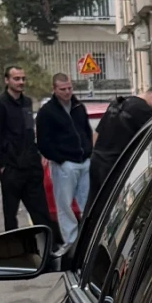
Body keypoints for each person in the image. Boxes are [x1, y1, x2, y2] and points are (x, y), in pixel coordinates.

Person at [88, 78, 152, 202]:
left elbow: (96, 136)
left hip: (97, 163)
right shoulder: (143, 111)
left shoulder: (118, 103)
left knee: (94, 206)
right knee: (112, 211)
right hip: (115, 169)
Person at [36, 71, 94, 249]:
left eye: (69, 88)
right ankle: (71, 242)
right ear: (54, 89)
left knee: (88, 203)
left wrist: (88, 151)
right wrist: (60, 159)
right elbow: (43, 142)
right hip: (64, 164)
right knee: (64, 205)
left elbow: (86, 131)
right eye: (63, 89)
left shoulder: (78, 107)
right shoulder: (47, 112)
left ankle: (88, 239)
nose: (67, 92)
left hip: (84, 161)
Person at [0, 64, 47, 229]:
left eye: (23, 78)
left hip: (31, 166)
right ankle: (13, 250)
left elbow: (29, 132)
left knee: (40, 211)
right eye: (16, 78)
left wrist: (37, 157)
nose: (21, 82)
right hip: (11, 168)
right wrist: (2, 164)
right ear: (7, 80)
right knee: (11, 214)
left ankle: (47, 248)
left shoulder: (26, 102)